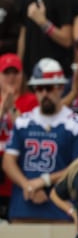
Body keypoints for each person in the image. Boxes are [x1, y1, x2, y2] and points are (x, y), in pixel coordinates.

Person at [2, 58, 78, 222]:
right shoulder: (23, 121)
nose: (44, 94)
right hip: (24, 205)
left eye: (49, 87)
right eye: (39, 88)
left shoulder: (74, 124)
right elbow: (8, 162)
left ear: (61, 87)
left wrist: (43, 181)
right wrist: (28, 185)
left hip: (61, 208)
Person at [0, 53, 36, 220]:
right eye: (7, 73)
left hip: (20, 167)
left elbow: (29, 133)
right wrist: (2, 110)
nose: (12, 77)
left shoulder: (32, 101)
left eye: (16, 72)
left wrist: (11, 109)